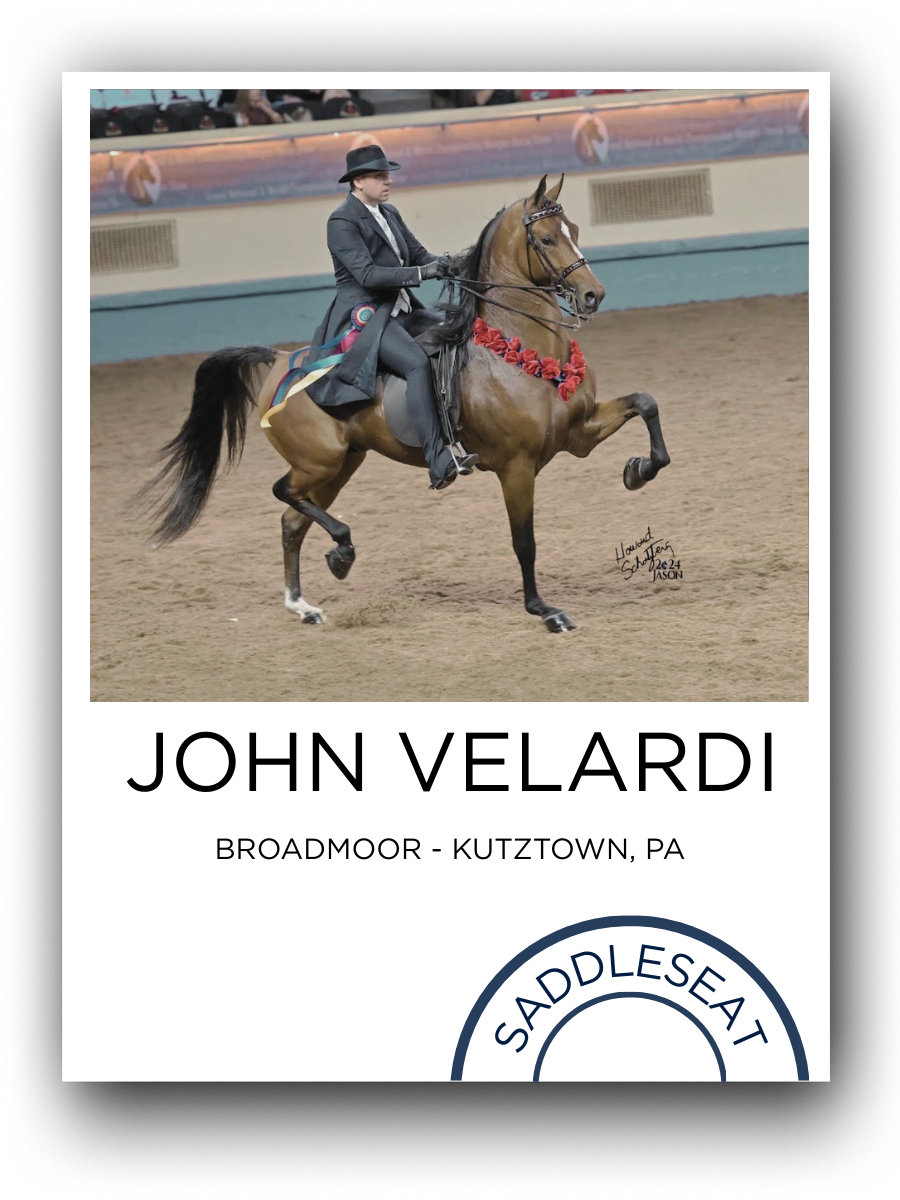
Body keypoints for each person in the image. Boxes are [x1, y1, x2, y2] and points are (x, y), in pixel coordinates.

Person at [304, 145, 477, 490]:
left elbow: (416, 253)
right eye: (380, 176)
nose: (388, 181)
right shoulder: (341, 221)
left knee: (455, 337)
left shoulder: (390, 212)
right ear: (357, 182)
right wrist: (421, 272)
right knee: (415, 364)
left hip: (402, 308)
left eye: (388, 175)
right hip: (366, 316)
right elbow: (368, 275)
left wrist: (450, 264)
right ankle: (437, 458)